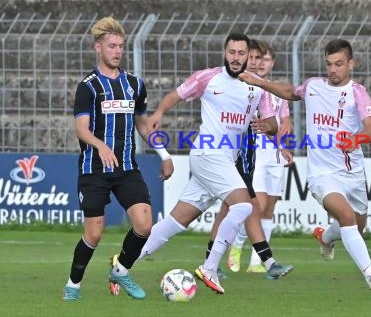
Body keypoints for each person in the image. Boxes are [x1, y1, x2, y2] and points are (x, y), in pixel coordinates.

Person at [136, 33, 282, 294]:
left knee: (177, 220)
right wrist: (159, 113)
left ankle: (123, 263)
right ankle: (210, 267)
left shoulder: (259, 86)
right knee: (243, 206)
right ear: (225, 53)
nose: (236, 58)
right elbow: (176, 94)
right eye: (232, 52)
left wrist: (267, 125)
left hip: (225, 160)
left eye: (241, 53)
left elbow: (273, 123)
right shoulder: (208, 77)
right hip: (208, 154)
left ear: (249, 56)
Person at [239, 39, 371, 295]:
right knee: (347, 218)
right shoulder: (313, 86)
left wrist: (356, 138)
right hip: (322, 175)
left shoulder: (357, 92)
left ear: (350, 64)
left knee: (356, 228)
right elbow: (290, 92)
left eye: (339, 64)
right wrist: (262, 83)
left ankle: (326, 237)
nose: (333, 69)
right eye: (329, 64)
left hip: (353, 173)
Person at [63, 16, 173, 301]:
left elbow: (143, 124)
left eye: (121, 46)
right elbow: (81, 129)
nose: (117, 51)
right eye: (112, 46)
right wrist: (100, 145)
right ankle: (73, 285)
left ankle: (121, 270)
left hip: (126, 167)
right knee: (95, 234)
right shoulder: (87, 87)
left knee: (144, 225)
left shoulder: (135, 85)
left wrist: (164, 154)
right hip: (94, 169)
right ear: (98, 47)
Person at [203, 39, 294, 279]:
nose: (253, 62)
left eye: (258, 58)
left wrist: (275, 135)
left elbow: (278, 120)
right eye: (251, 57)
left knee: (236, 207)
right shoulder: (234, 83)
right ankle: (265, 261)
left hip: (249, 153)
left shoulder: (261, 87)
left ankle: (217, 260)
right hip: (234, 152)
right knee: (248, 206)